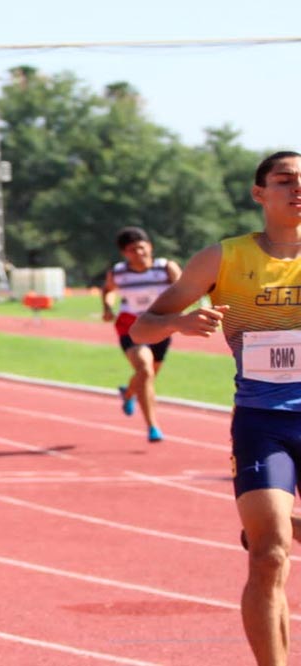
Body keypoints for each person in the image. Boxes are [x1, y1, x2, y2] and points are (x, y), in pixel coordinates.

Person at [130, 151, 301, 666]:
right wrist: (180, 324)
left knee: (274, 542)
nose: (298, 189)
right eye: (285, 180)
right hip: (263, 423)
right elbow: (143, 327)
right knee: (268, 555)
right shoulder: (222, 257)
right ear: (259, 193)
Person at [101, 227, 181, 442]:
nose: (139, 253)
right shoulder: (118, 272)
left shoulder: (165, 268)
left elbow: (184, 288)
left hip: (161, 325)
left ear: (150, 247)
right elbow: (108, 290)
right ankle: (153, 427)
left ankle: (129, 392)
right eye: (132, 250)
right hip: (131, 325)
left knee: (150, 374)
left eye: (141, 247)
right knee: (145, 371)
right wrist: (108, 308)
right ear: (124, 254)